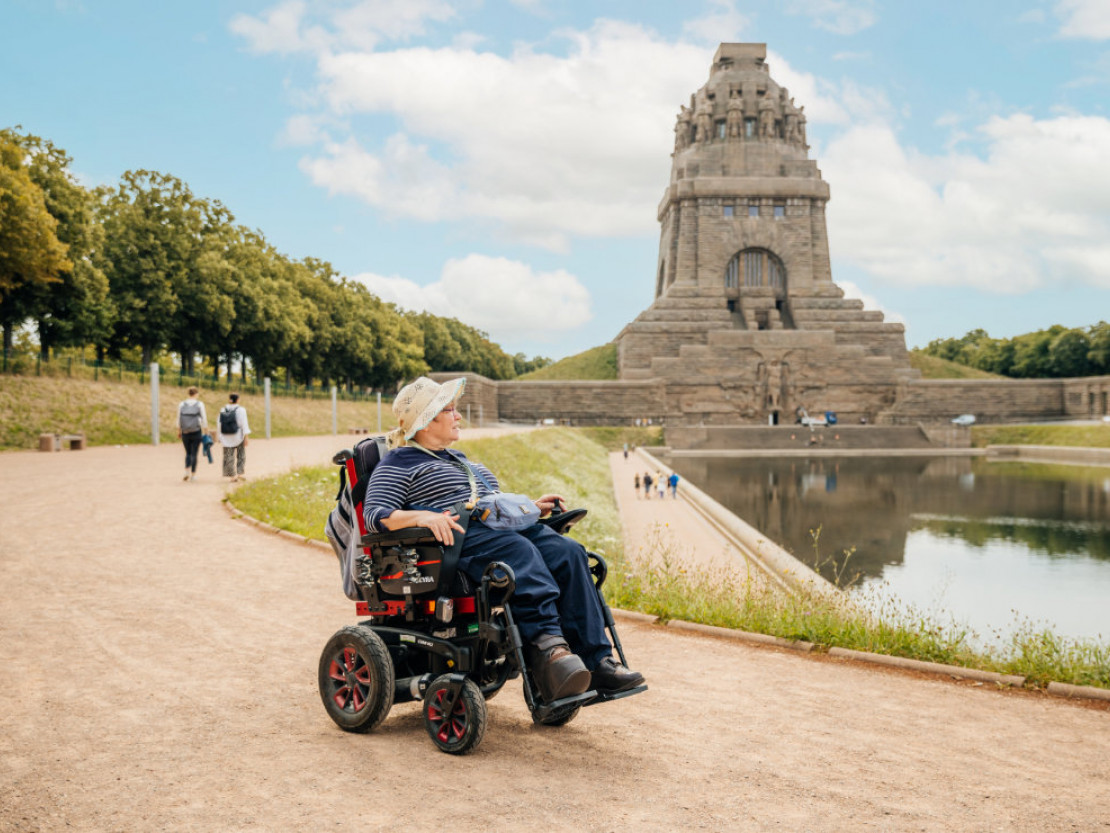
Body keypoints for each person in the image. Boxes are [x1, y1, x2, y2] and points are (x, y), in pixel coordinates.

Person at [362, 377, 644, 703]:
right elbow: (376, 514)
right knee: (519, 552)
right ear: (425, 421)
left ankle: (599, 662)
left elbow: (490, 502)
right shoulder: (398, 463)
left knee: (570, 553)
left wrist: (532, 509)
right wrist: (423, 517)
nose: (459, 417)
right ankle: (549, 650)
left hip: (503, 529)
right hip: (460, 542)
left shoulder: (460, 459)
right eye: (451, 411)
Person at [176, 387, 208, 482]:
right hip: (196, 431)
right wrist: (206, 430)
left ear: (188, 394)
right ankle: (193, 475)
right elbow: (204, 418)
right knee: (194, 453)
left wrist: (179, 431)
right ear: (196, 394)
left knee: (188, 453)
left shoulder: (182, 404)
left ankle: (186, 471)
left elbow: (178, 418)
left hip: (185, 432)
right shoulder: (200, 404)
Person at [218, 393, 251, 483]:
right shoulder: (241, 410)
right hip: (238, 436)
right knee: (241, 455)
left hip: (225, 436)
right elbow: (244, 424)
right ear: (238, 400)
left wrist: (219, 436)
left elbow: (219, 423)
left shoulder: (223, 409)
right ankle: (240, 474)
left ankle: (232, 476)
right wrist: (246, 437)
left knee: (228, 456)